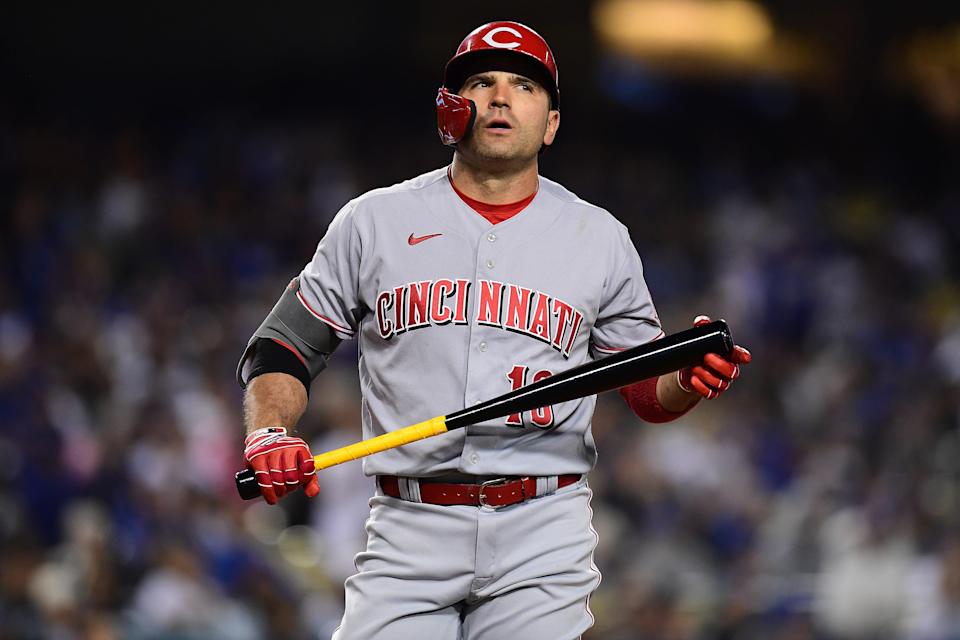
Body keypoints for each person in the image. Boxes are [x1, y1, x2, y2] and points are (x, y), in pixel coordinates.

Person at [237, 21, 751, 639]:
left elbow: (645, 392)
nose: (502, 97)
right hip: (409, 526)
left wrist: (688, 381)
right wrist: (269, 431)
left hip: (541, 528)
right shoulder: (373, 222)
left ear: (552, 122)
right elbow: (284, 344)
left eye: (524, 85)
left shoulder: (600, 240)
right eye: (482, 82)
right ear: (451, 109)